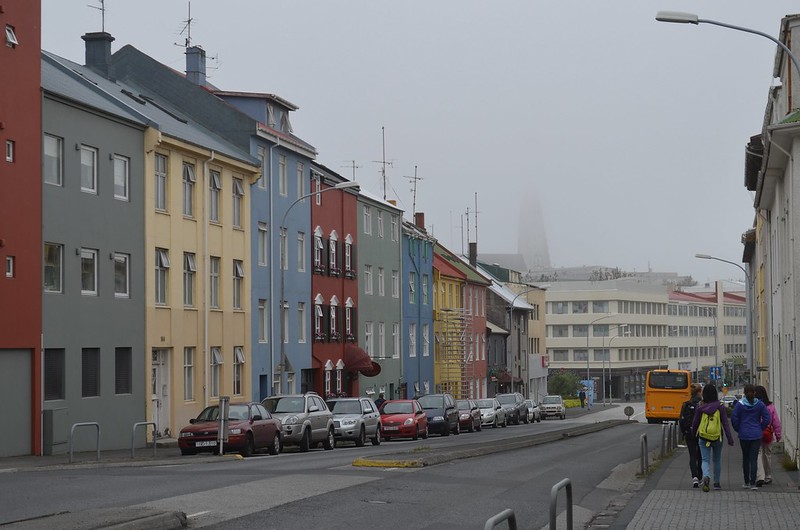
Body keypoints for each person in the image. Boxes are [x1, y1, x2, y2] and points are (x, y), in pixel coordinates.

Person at [691, 384, 735, 492]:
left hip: (703, 436)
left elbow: (695, 422)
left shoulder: (700, 406)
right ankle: (716, 483)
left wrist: (693, 434)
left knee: (705, 459)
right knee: (716, 460)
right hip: (717, 437)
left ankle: (706, 475)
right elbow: (725, 424)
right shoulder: (720, 406)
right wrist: (730, 438)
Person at [731, 383, 771, 490]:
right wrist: (760, 427)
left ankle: (746, 482)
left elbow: (734, 419)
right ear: (754, 393)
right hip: (756, 435)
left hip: (744, 434)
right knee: (753, 459)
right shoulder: (760, 405)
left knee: (746, 458)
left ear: (744, 393)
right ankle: (753, 483)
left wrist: (738, 429)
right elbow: (767, 418)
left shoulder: (740, 405)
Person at [754, 385, 782, 486]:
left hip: (757, 433)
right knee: (767, 454)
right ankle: (768, 476)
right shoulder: (771, 407)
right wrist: (778, 435)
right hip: (768, 433)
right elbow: (776, 422)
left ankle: (760, 476)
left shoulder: (754, 406)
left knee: (758, 454)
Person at [679, 383, 703, 487]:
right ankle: (701, 476)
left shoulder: (686, 404)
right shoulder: (703, 404)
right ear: (699, 392)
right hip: (701, 433)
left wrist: (684, 432)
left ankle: (694, 478)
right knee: (701, 456)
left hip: (689, 433)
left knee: (692, 456)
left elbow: (681, 420)